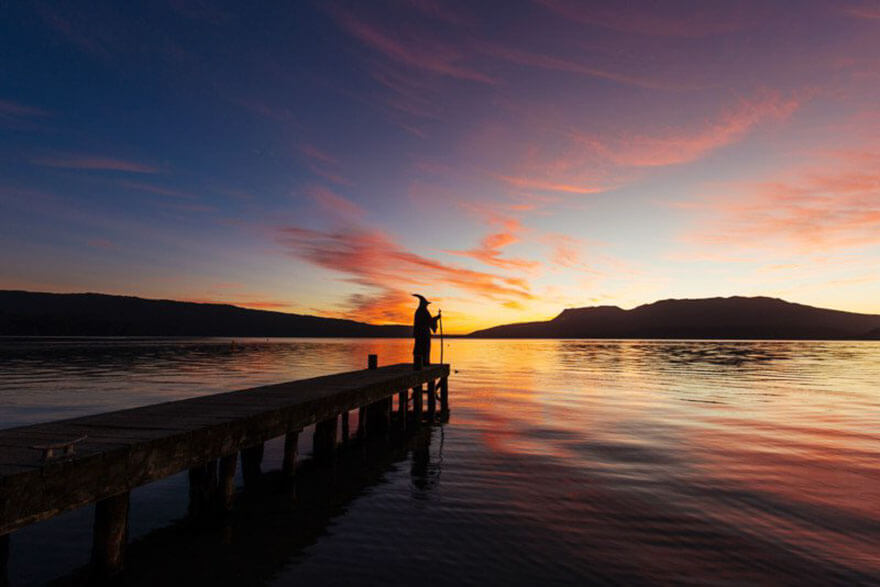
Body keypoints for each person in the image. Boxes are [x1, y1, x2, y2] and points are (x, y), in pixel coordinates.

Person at [412, 294, 440, 366]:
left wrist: (435, 318)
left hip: (419, 333)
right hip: (423, 333)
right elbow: (429, 321)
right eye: (426, 304)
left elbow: (428, 321)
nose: (427, 305)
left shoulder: (419, 311)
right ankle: (424, 362)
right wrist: (437, 318)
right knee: (424, 347)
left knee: (420, 347)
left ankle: (421, 362)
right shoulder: (423, 311)